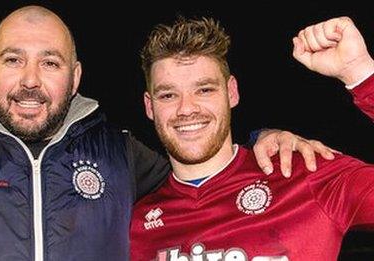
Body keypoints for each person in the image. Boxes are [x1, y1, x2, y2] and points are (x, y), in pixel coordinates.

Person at [0, 5, 334, 261]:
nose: (31, 80)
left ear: (75, 78)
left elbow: (199, 159)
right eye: (14, 60)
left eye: (51, 63)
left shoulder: (121, 155)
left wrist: (263, 136)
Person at [130, 16, 374, 261]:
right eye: (168, 95)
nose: (186, 108)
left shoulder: (307, 174)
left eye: (204, 90)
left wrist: (361, 73)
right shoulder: (135, 225)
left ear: (232, 92)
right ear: (150, 107)